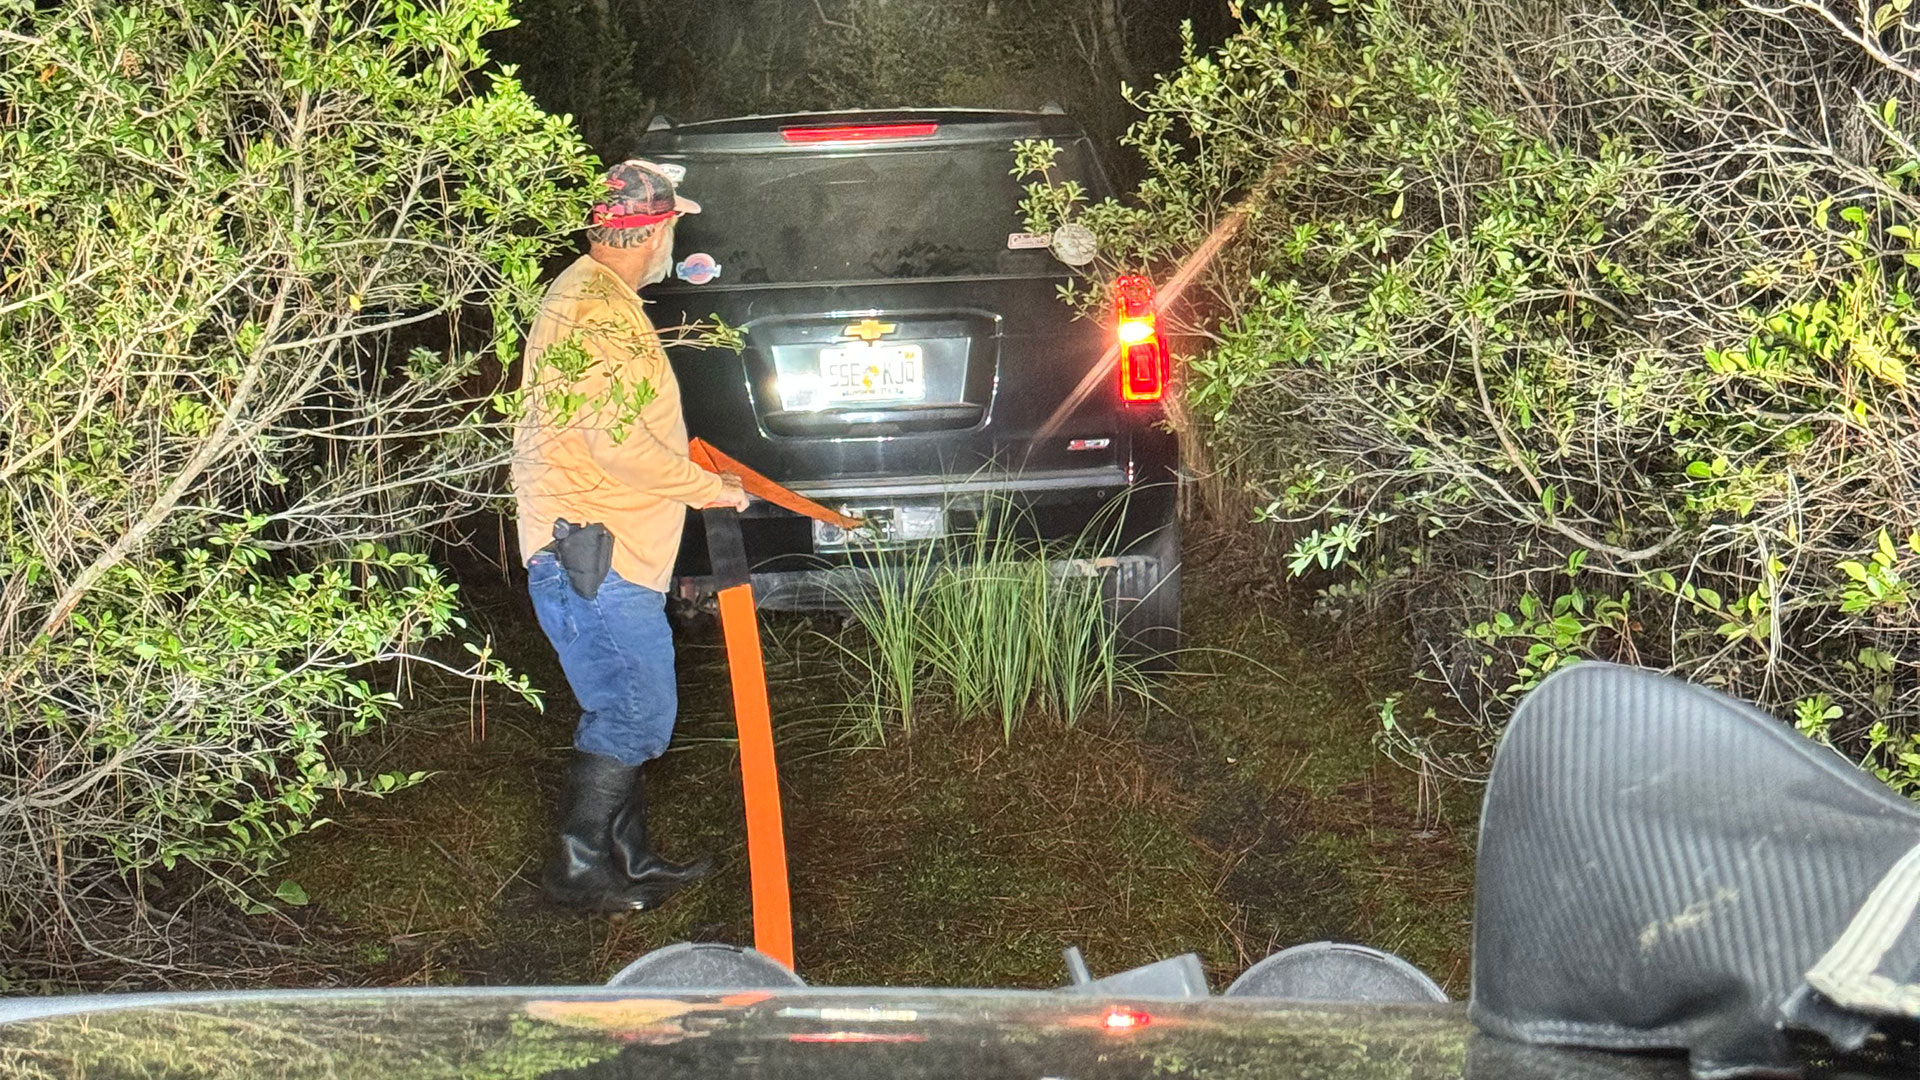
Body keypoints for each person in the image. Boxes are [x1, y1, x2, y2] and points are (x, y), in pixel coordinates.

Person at [511, 159, 750, 913]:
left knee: (624, 705)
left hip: (606, 547)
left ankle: (628, 857)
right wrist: (713, 489)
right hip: (593, 555)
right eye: (674, 224)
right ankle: (575, 871)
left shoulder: (593, 293)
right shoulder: (597, 312)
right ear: (651, 230)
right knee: (635, 714)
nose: (675, 237)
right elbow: (616, 447)